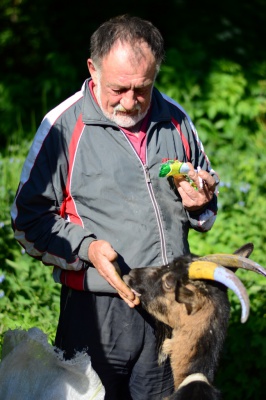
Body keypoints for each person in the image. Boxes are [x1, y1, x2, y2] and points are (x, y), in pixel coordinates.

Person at [11, 15, 219, 400]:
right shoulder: (62, 127)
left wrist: (201, 203)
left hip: (168, 303)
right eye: (119, 88)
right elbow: (28, 220)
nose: (130, 101)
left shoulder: (175, 120)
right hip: (96, 309)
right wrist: (86, 248)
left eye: (143, 88)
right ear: (93, 68)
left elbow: (205, 212)